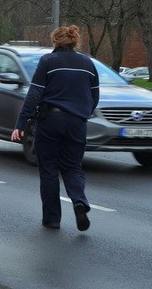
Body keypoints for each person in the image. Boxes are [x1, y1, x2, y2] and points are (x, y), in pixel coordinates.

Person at [10, 25, 99, 232]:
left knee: (49, 170)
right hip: (77, 123)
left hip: (50, 120)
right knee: (72, 167)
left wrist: (21, 123)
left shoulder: (48, 61)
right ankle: (79, 201)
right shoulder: (87, 63)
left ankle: (52, 219)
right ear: (74, 41)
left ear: (55, 42)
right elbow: (94, 96)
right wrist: (82, 113)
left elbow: (34, 94)